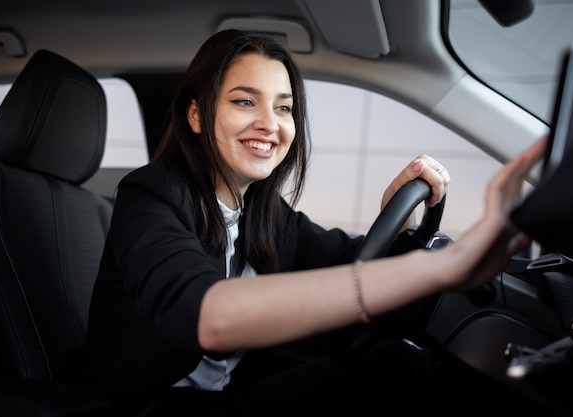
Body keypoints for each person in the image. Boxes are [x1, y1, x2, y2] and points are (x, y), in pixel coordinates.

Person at [75, 29, 546, 417]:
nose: (270, 123)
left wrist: (401, 230)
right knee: (396, 374)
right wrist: (442, 268)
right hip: (151, 409)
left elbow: (347, 260)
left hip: (226, 395)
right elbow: (208, 316)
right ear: (197, 115)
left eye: (283, 107)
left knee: (397, 364)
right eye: (244, 102)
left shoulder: (264, 211)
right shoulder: (151, 196)